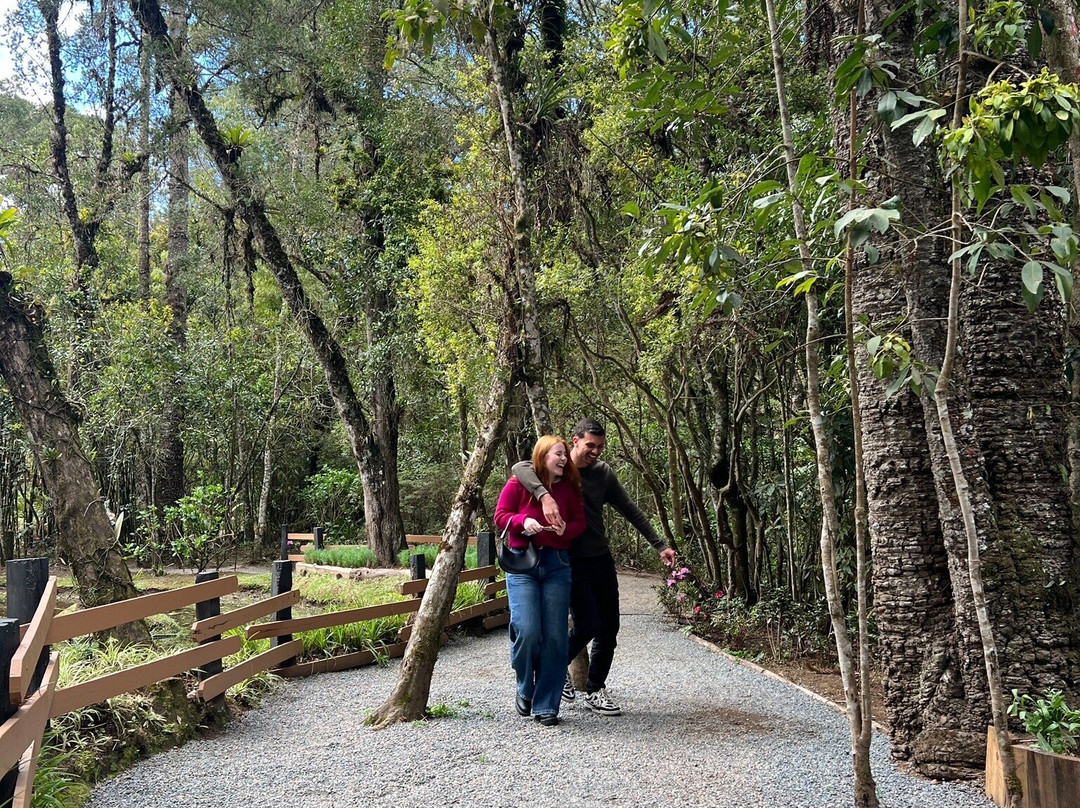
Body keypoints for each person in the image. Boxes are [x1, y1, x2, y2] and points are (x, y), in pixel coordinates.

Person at [513, 418, 677, 717]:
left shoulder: (602, 473)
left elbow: (630, 509)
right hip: (567, 560)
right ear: (574, 440)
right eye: (590, 445)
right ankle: (554, 668)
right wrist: (544, 495)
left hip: (599, 556)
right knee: (588, 623)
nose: (596, 452)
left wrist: (660, 544)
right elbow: (520, 468)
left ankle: (595, 689)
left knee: (610, 627)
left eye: (600, 446)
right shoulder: (558, 467)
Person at [494, 435, 586, 727]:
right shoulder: (519, 483)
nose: (563, 459)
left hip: (557, 565)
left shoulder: (570, 489)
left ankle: (547, 704)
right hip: (523, 563)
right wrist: (523, 521)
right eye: (558, 454)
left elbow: (579, 523)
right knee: (527, 629)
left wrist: (564, 531)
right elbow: (500, 516)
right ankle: (524, 685)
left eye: (565, 455)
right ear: (542, 455)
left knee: (556, 637)